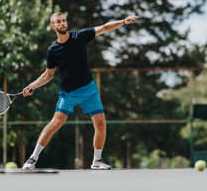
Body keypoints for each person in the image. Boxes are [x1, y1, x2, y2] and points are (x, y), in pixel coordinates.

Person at [21, 12, 139, 170]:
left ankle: (97, 161)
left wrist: (123, 21)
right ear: (53, 26)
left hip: (89, 90)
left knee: (101, 123)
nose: (62, 23)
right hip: (68, 93)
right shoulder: (53, 50)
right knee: (55, 123)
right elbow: (48, 75)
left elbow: (104, 28)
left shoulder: (80, 36)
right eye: (58, 22)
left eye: (64, 20)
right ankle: (33, 158)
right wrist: (31, 86)